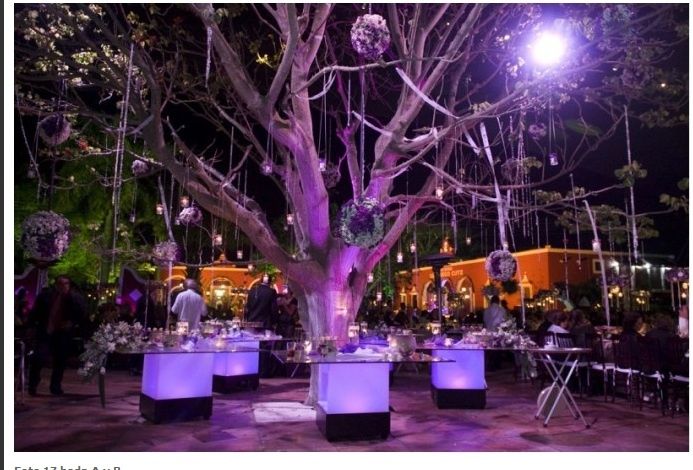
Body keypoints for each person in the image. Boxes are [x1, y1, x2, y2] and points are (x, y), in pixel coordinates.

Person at [27, 275, 86, 396]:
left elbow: (82, 314)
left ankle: (55, 386)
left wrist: (72, 323)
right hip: (46, 331)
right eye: (60, 283)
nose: (63, 286)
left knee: (60, 361)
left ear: (69, 285)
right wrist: (31, 326)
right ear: (56, 285)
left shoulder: (75, 298)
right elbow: (35, 311)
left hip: (63, 334)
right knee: (38, 358)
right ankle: (32, 384)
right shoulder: (45, 296)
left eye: (66, 283)